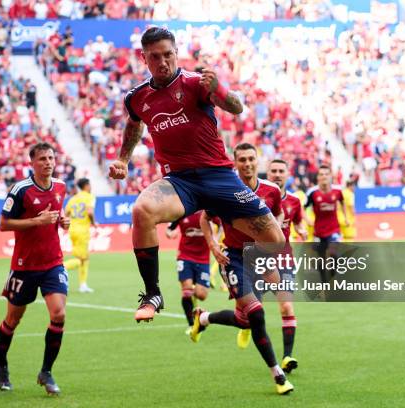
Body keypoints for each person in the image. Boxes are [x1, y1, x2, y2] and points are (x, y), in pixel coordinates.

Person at [108, 27, 285, 323]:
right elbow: (133, 124)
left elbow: (237, 107)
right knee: (142, 210)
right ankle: (152, 293)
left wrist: (220, 89)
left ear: (176, 53)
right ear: (144, 58)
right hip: (180, 181)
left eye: (168, 55)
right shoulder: (137, 98)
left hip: (219, 177)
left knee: (275, 241)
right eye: (155, 57)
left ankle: (244, 288)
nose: (163, 62)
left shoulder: (196, 83)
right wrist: (122, 159)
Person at [195, 143, 293, 395]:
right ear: (235, 162)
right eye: (242, 160)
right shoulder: (224, 190)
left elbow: (278, 214)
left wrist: (272, 242)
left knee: (244, 320)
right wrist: (213, 244)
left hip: (259, 257)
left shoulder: (271, 190)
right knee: (256, 314)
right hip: (234, 258)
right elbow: (204, 217)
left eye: (251, 159)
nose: (247, 164)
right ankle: (278, 375)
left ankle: (203, 318)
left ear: (257, 161)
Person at [0, 143, 69, 395]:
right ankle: (2, 364)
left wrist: (62, 220)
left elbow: (56, 216)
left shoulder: (60, 186)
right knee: (13, 320)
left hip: (53, 263)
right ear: (32, 163)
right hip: (24, 266)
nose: (48, 162)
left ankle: (46, 371)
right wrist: (36, 221)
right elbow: (3, 224)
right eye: (42, 159)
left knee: (58, 314)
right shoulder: (20, 190)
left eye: (51, 158)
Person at [266, 158, 308, 373]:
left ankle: (287, 356)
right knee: (246, 314)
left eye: (281, 171)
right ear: (267, 172)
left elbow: (299, 220)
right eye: (273, 171)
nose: (277, 174)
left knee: (286, 306)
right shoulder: (258, 197)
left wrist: (301, 230)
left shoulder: (294, 201)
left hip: (284, 260)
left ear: (288, 174)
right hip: (259, 258)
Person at [165, 210, 211, 332]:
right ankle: (192, 324)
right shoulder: (182, 212)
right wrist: (171, 233)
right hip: (185, 256)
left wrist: (215, 239)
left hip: (203, 259)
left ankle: (197, 307)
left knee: (202, 295)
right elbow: (169, 229)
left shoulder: (208, 210)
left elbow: (221, 223)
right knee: (186, 290)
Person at [305, 165, 348, 283]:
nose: (324, 176)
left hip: (334, 228)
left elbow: (342, 202)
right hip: (318, 231)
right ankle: (324, 281)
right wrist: (307, 219)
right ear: (318, 177)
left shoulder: (338, 191)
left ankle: (333, 276)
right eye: (321, 174)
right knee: (321, 258)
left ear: (331, 176)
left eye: (326, 174)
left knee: (333, 252)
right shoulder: (312, 192)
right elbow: (302, 208)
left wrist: (346, 217)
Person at [64, 178, 96, 293]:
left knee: (84, 258)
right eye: (90, 185)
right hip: (83, 231)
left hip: (73, 230)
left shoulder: (73, 199)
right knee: (82, 260)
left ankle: (83, 284)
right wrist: (94, 223)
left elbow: (65, 213)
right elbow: (90, 212)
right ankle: (60, 268)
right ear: (86, 186)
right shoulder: (89, 197)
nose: (91, 187)